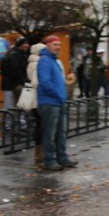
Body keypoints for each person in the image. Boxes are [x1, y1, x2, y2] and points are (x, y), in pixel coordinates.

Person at [37, 35, 78, 170]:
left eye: (59, 45)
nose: (58, 47)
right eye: (55, 45)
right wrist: (58, 94)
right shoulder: (44, 61)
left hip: (59, 102)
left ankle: (62, 157)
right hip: (50, 102)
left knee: (61, 132)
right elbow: (45, 82)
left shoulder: (54, 61)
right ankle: (49, 160)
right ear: (47, 46)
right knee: (50, 133)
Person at [26, 41, 46, 165]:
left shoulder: (31, 62)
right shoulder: (38, 63)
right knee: (41, 124)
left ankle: (39, 151)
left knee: (39, 123)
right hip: (38, 97)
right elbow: (36, 82)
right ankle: (40, 151)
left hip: (34, 97)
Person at [0, 37, 30, 114]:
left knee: (13, 108)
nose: (27, 45)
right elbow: (16, 70)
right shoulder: (15, 55)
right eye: (25, 43)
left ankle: (14, 124)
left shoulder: (19, 54)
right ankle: (10, 125)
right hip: (11, 86)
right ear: (20, 45)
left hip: (11, 85)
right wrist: (24, 81)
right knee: (11, 109)